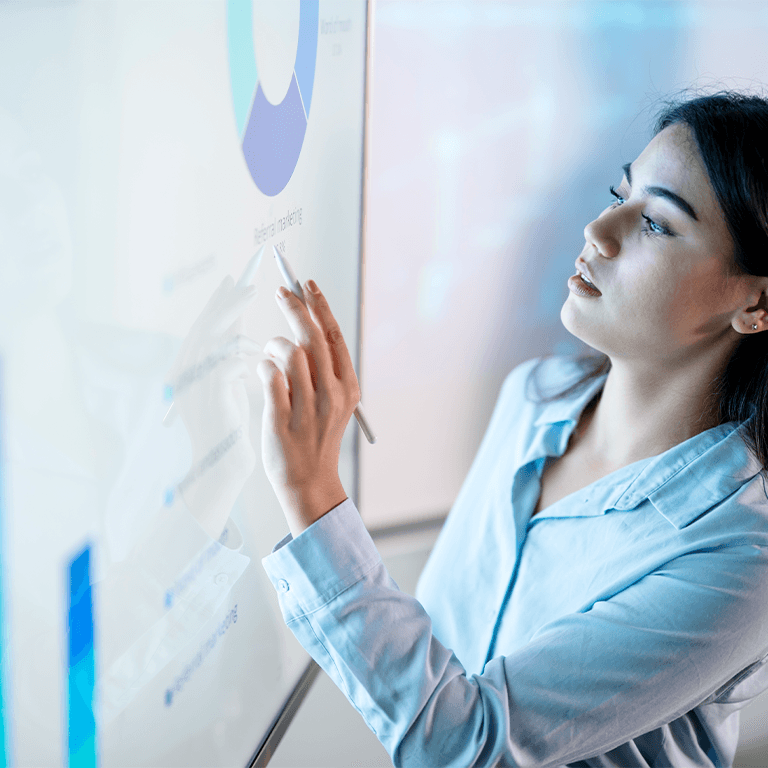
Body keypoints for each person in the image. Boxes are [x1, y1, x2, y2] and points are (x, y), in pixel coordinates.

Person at [257, 91, 768, 767]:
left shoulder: (739, 560)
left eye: (658, 224)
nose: (601, 229)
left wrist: (313, 494)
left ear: (756, 302)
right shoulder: (531, 399)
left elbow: (468, 744)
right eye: (621, 192)